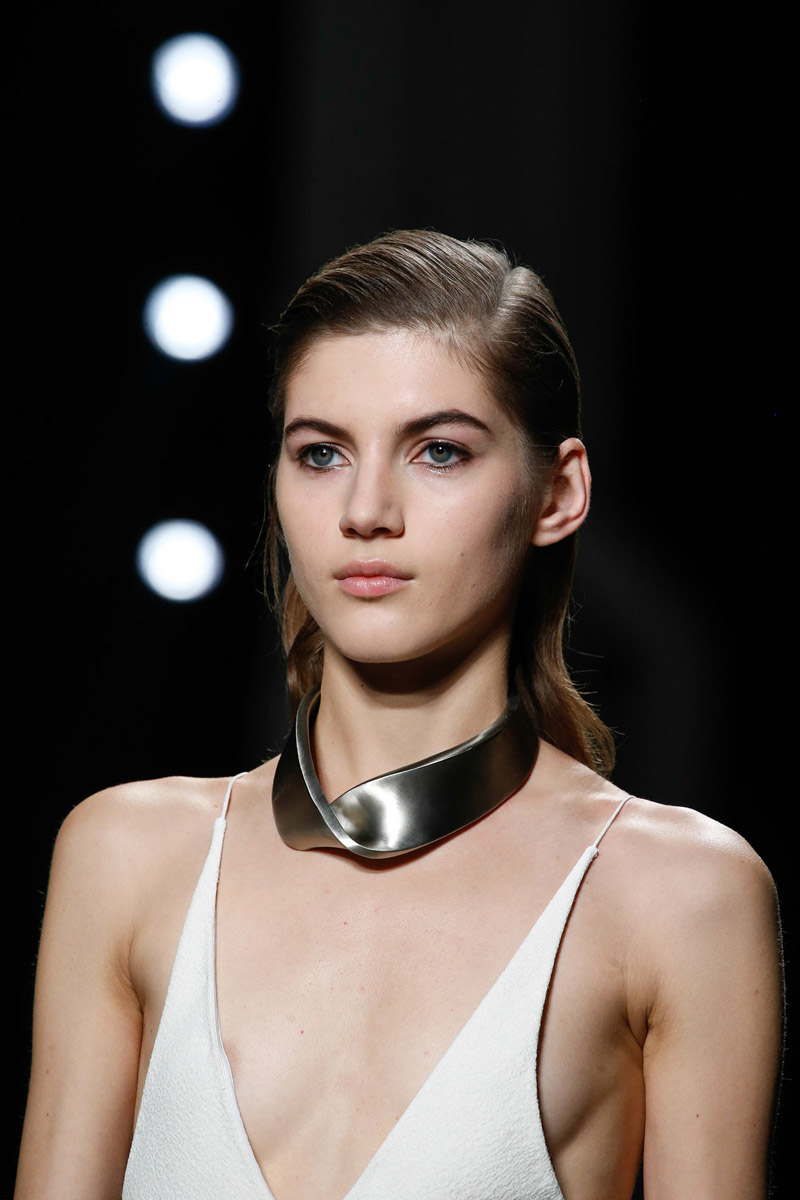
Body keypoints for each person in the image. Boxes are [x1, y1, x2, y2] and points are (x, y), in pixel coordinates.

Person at [16, 230, 783, 1200]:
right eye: (321, 453)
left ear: (558, 493)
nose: (366, 510)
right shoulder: (128, 858)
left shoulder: (674, 897)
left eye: (439, 451)